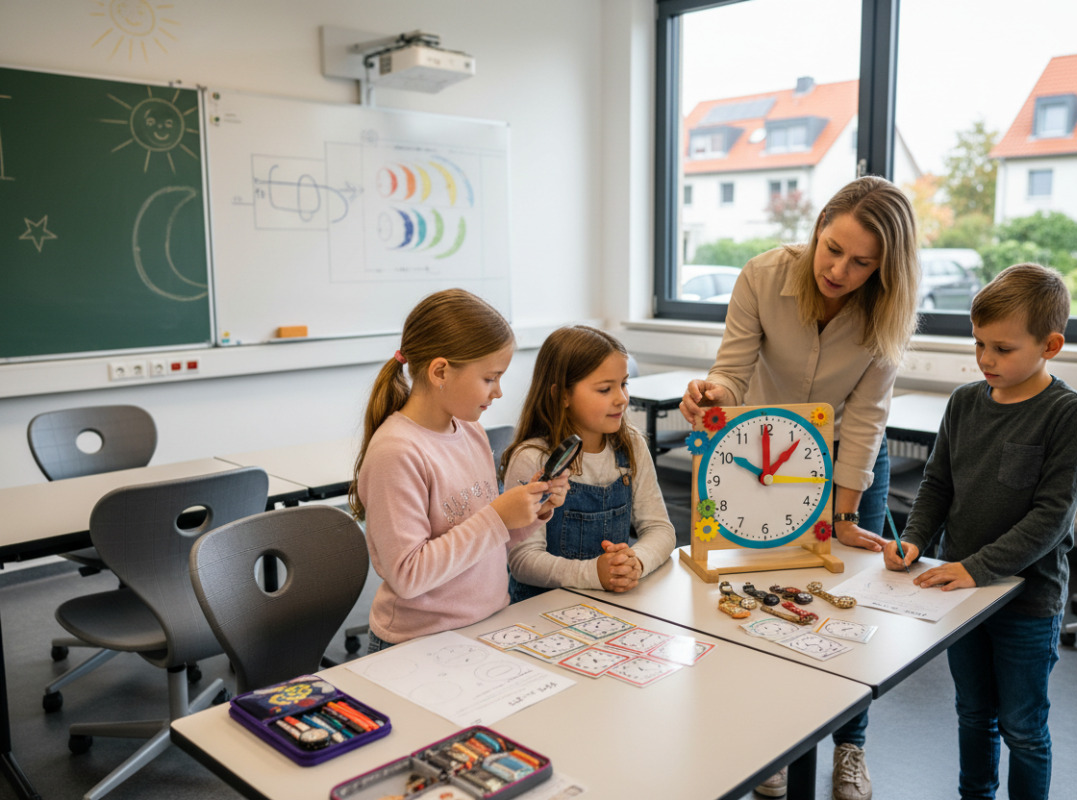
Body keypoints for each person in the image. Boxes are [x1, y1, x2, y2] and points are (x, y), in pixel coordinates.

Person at [679, 175, 920, 800]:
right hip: (764, 458)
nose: (839, 269)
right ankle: (776, 737)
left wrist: (842, 517)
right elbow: (732, 373)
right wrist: (713, 397)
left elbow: (866, 419)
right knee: (763, 587)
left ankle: (850, 746)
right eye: (831, 247)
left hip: (845, 461)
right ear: (817, 229)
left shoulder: (886, 312)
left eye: (862, 262)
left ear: (885, 269)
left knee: (847, 602)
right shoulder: (762, 276)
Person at [886, 263, 1077, 800]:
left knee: (1024, 728)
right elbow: (937, 485)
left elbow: (1051, 518)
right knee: (973, 714)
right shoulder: (963, 403)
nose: (985, 360)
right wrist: (914, 539)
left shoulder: (1069, 413)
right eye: (979, 344)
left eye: (1003, 349)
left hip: (1027, 602)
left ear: (1051, 344)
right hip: (960, 595)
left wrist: (975, 567)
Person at [347, 289, 570, 653]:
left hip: (486, 627)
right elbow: (408, 575)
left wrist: (531, 511)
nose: (498, 391)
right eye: (490, 378)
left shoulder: (470, 432)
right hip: (417, 644)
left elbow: (485, 544)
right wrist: (499, 517)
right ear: (440, 372)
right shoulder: (396, 452)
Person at [503, 325, 676, 602]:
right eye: (605, 389)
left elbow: (660, 529)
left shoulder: (631, 445)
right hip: (542, 610)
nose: (621, 398)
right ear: (563, 395)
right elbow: (523, 562)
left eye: (624, 384)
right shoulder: (532, 458)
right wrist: (594, 574)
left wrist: (636, 563)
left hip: (612, 603)